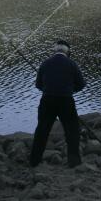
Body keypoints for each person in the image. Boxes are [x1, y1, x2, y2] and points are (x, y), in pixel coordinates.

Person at [29, 39, 85, 168]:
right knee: (71, 130)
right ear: (68, 52)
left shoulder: (45, 64)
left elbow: (38, 84)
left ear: (55, 51)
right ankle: (74, 161)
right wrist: (70, 90)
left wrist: (49, 90)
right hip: (66, 100)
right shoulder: (72, 64)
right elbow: (81, 84)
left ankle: (34, 161)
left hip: (47, 100)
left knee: (42, 130)